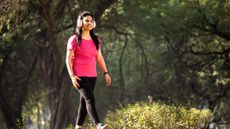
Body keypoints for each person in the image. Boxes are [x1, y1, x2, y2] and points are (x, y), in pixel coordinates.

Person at [66, 11, 111, 129]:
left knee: (84, 101)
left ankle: (78, 127)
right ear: (80, 22)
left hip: (92, 75)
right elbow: (68, 59)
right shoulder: (74, 39)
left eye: (91, 21)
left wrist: (105, 72)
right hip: (79, 74)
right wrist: (72, 76)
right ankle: (98, 125)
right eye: (86, 20)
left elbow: (99, 57)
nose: (89, 23)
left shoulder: (96, 39)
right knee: (90, 99)